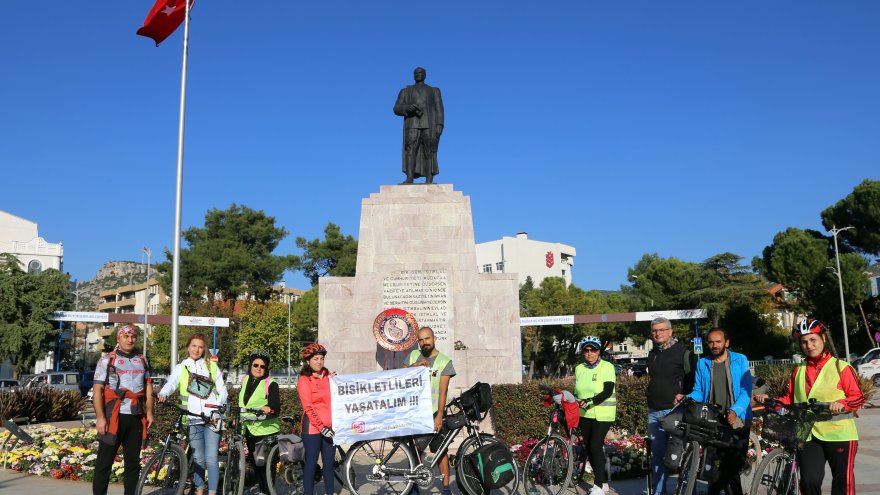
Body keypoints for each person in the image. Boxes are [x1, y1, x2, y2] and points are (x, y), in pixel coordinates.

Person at [758, 318, 864, 495]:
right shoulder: (798, 370)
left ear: (823, 339)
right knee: (809, 481)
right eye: (804, 342)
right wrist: (772, 400)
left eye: (813, 340)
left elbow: (858, 398)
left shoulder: (841, 368)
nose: (809, 345)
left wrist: (842, 404)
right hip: (806, 432)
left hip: (839, 432)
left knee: (842, 483)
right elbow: (790, 398)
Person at [675, 328, 752, 495]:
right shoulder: (703, 363)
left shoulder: (740, 360)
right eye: (711, 342)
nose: (714, 345)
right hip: (714, 420)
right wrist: (686, 397)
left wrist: (735, 410)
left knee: (733, 465)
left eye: (718, 341)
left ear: (727, 342)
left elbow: (746, 392)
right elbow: (698, 391)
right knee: (714, 467)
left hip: (738, 418)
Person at [158, 334, 227, 495]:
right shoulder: (182, 367)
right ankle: (200, 490)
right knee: (198, 459)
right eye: (194, 346)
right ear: (188, 347)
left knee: (211, 458)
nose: (197, 349)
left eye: (200, 347)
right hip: (193, 417)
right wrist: (163, 393)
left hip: (213, 417)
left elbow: (222, 390)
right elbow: (172, 382)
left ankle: (212, 492)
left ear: (204, 350)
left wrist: (216, 408)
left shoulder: (211, 366)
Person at [92, 324, 154, 495]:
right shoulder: (107, 359)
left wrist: (149, 412)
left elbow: (148, 388)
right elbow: (97, 390)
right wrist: (100, 417)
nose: (130, 339)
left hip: (135, 417)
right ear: (118, 338)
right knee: (104, 463)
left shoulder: (142, 359)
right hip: (113, 416)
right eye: (126, 336)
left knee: (133, 464)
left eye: (133, 336)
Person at [401, 327, 456, 495]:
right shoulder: (413, 356)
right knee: (414, 452)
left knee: (440, 450)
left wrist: (439, 416)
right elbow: (399, 375)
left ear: (434, 338)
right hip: (415, 412)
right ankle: (414, 487)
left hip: (434, 412)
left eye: (427, 339)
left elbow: (443, 392)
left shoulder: (444, 361)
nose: (424, 342)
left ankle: (446, 488)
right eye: (421, 340)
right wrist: (415, 366)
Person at [645, 317, 694, 495]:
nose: (658, 333)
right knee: (657, 456)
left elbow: (691, 381)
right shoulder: (652, 353)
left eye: (662, 330)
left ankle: (687, 491)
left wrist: (685, 399)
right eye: (655, 331)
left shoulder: (682, 352)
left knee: (682, 455)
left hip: (676, 411)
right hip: (654, 411)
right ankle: (660, 492)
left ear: (670, 331)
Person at [573, 336, 616, 495]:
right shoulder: (579, 368)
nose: (590, 353)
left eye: (593, 350)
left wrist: (590, 401)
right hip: (585, 414)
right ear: (583, 352)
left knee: (595, 446)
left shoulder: (607, 367)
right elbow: (577, 392)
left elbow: (607, 391)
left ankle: (598, 486)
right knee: (589, 449)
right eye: (586, 350)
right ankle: (603, 482)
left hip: (603, 414)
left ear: (599, 351)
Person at [393, 67, 444, 184]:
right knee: (411, 150)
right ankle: (409, 177)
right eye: (416, 73)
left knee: (430, 151)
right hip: (412, 124)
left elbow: (439, 108)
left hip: (429, 124)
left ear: (425, 75)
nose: (418, 75)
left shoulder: (434, 90)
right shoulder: (405, 91)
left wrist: (440, 124)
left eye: (420, 73)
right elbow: (396, 108)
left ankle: (429, 179)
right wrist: (406, 108)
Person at [239, 350, 281, 495]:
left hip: (266, 432)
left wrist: (268, 408)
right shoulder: (245, 380)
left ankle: (268, 492)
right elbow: (243, 404)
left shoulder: (271, 383)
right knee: (257, 466)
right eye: (255, 365)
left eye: (262, 366)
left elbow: (276, 406)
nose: (258, 368)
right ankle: (263, 491)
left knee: (266, 469)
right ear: (250, 365)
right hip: (250, 430)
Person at [298, 343, 335, 495]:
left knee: (329, 464)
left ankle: (330, 492)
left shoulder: (329, 376)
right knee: (311, 463)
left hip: (331, 426)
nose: (319, 362)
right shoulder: (304, 380)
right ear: (308, 361)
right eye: (315, 359)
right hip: (312, 428)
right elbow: (308, 407)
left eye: (321, 358)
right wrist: (321, 427)